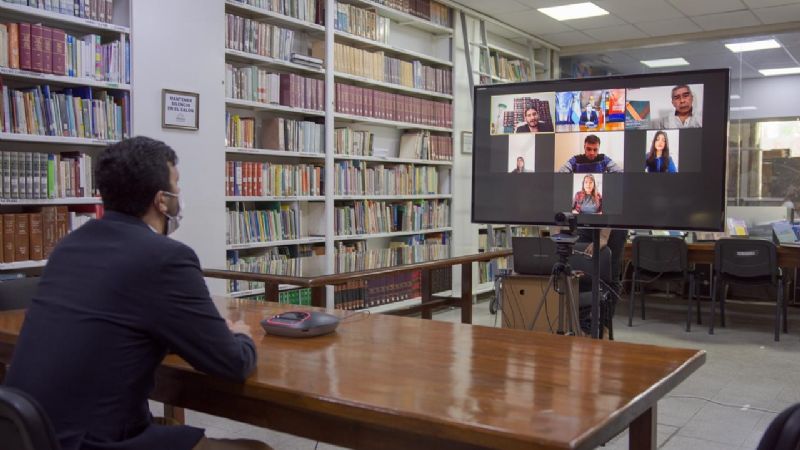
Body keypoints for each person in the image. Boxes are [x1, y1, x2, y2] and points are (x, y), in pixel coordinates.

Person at [4, 137, 267, 450]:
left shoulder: (69, 246)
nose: (180, 195)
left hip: (24, 435)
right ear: (161, 201)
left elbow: (113, 323)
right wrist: (241, 335)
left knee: (169, 427)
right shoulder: (166, 258)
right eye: (177, 185)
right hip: (89, 442)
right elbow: (233, 364)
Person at [558, 134, 622, 173]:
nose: (592, 153)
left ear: (598, 148)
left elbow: (619, 172)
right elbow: (560, 174)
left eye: (595, 150)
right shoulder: (576, 160)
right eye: (588, 149)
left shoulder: (603, 159)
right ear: (584, 147)